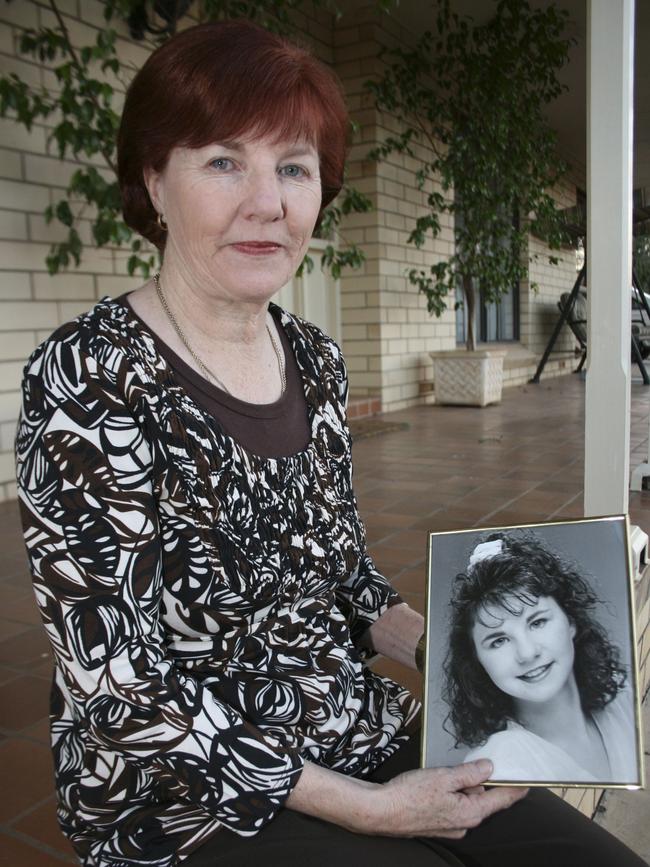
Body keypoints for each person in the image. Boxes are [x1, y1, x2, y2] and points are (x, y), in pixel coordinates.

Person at [14, 19, 646, 867]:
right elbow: (118, 685)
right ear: (154, 182)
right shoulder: (89, 373)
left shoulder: (313, 356)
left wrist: (454, 648)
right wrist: (372, 810)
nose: (267, 203)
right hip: (185, 791)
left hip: (345, 720)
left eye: (294, 168)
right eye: (223, 161)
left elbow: (343, 573)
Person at [443, 531, 639, 784]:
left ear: (570, 621)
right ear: (477, 660)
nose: (527, 653)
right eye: (499, 640)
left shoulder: (623, 701)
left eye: (537, 622)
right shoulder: (496, 767)